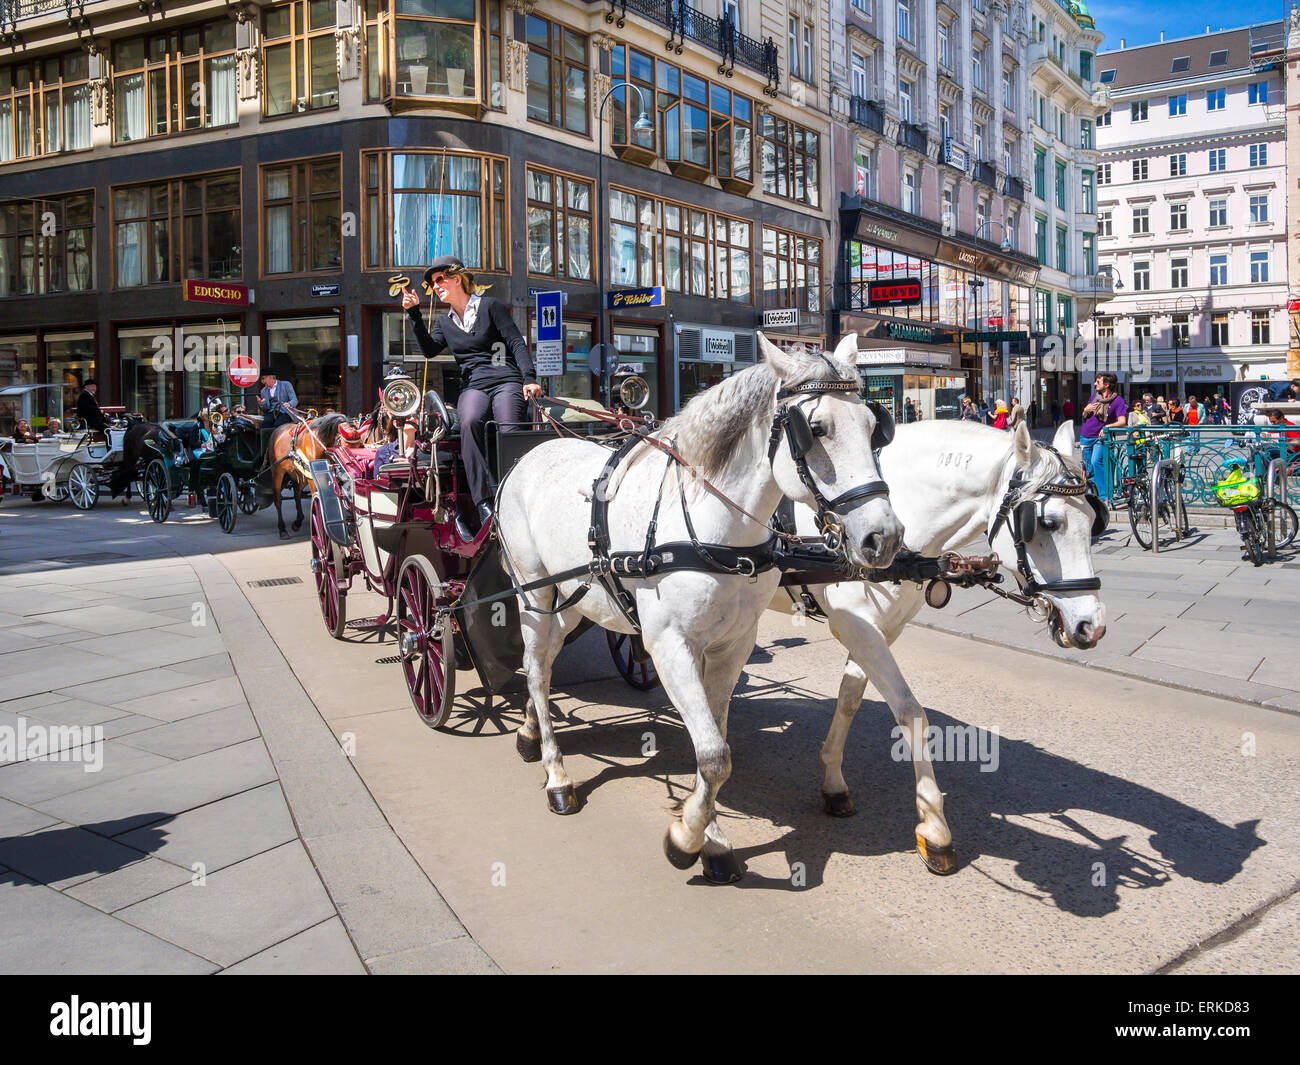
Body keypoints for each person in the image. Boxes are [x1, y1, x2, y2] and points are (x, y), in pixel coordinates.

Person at [400, 254, 542, 541]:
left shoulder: (490, 307)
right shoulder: (444, 322)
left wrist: (529, 378)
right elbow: (429, 350)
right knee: (469, 420)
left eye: (439, 280)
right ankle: (484, 502)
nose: (435, 287)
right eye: (431, 285)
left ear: (457, 278)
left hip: (506, 379)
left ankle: (515, 493)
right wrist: (414, 313)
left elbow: (515, 342)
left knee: (508, 425)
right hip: (474, 384)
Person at [1080, 372, 1127, 502]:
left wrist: (1107, 427)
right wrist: (1086, 409)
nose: (1095, 384)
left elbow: (1122, 421)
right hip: (1086, 435)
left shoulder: (1118, 401)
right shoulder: (1095, 397)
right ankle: (1092, 496)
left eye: (1098, 382)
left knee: (1096, 461)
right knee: (1089, 468)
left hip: (1101, 437)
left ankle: (1103, 496)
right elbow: (1085, 416)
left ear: (1106, 385)